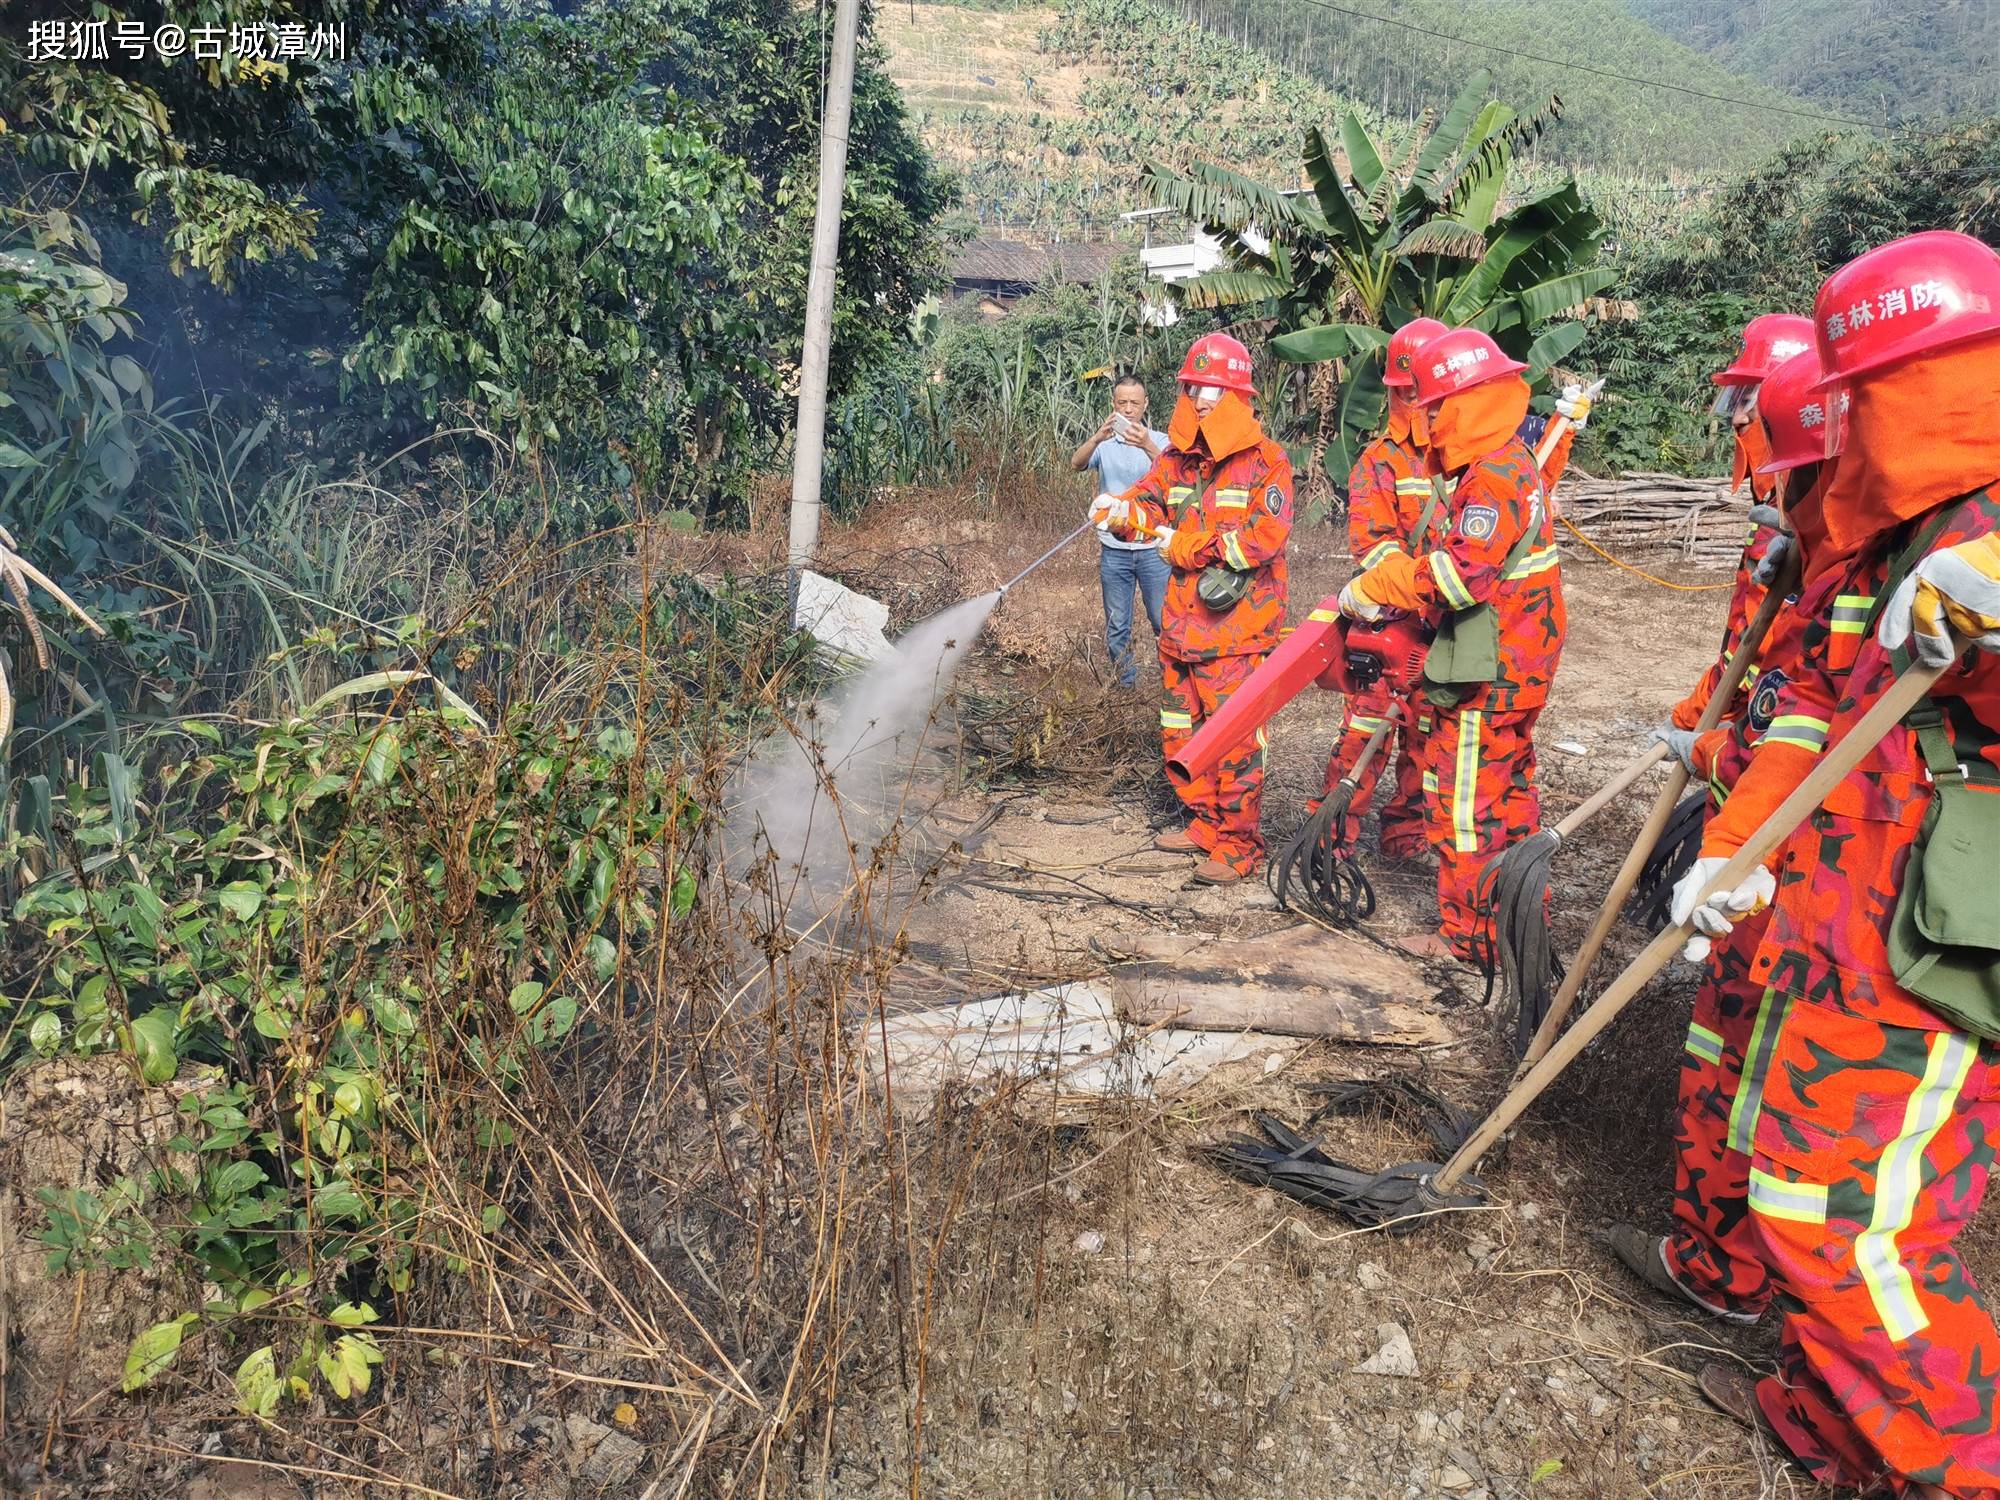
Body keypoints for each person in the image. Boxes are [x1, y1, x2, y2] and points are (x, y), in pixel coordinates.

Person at [1667, 230, 2000, 1497]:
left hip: (1934, 943)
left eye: (1869, 394)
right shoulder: (1872, 550)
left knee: (1842, 1219)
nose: (1852, 426)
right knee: (1800, 1183)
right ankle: (1837, 1428)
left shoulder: (1979, 527)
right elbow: (1809, 709)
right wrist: (1731, 851)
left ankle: (1958, 1466)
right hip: (1834, 921)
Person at [1609, 345, 1847, 1327]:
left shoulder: (1863, 560)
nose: (1738, 423)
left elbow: (1814, 720)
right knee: (1720, 1047)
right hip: (1758, 830)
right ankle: (1712, 1255)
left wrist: (1718, 762)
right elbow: (1755, 680)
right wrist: (1699, 727)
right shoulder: (1791, 541)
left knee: (1753, 1072)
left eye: (1750, 404)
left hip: (1809, 872)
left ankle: (1728, 1273)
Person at [1337, 327, 1564, 965]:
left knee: (1465, 802)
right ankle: (1519, 917)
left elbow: (1459, 577)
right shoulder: (1510, 460)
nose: (1426, 418)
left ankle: (1474, 937)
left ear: (1467, 400)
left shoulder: (1491, 477)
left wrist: (1382, 583)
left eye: (1436, 405)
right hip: (1517, 666)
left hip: (1486, 672)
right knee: (1509, 795)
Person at [1100, 332, 1293, 886]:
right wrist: (1117, 509)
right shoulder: (1177, 460)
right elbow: (1147, 500)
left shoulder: (1267, 464)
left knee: (1231, 736)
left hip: (1235, 634)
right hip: (1181, 629)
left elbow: (1260, 541)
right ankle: (1204, 822)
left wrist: (1188, 546)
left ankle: (1238, 843)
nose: (1201, 400)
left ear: (1238, 397)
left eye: (1213, 390)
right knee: (1181, 728)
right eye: (1193, 390)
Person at [1315, 317, 1448, 858]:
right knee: (1361, 736)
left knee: (1427, 739)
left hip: (1451, 629)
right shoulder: (1379, 460)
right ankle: (1332, 836)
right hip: (1391, 627)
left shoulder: (1473, 458)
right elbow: (1374, 547)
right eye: (1405, 392)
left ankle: (1406, 836)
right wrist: (1428, 582)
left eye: (1425, 391)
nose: (1416, 403)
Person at [1666, 313, 1816, 734]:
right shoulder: (1783, 497)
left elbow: (1751, 646)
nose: (1736, 418)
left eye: (1751, 399)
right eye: (1737, 400)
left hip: (1775, 716)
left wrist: (1691, 720)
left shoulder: (1797, 510)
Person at [1073, 374, 1169, 688]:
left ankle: (1173, 682)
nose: (1128, 409)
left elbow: (1174, 474)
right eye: (1121, 402)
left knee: (1163, 621)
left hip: (1153, 549)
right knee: (1117, 626)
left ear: (1145, 405)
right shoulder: (1106, 444)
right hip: (1114, 550)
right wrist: (1096, 438)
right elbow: (1076, 463)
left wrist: (1147, 445)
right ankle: (1126, 688)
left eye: (1134, 403)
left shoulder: (1161, 441)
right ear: (1114, 404)